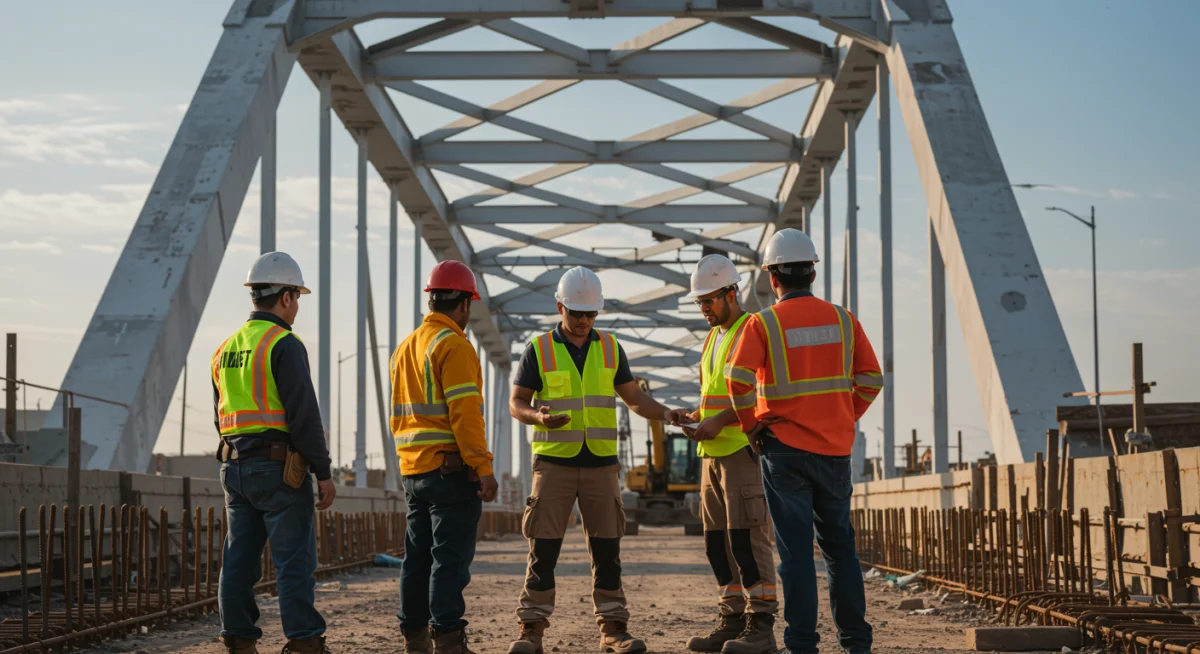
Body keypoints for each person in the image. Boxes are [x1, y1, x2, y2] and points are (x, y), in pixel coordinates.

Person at [506, 266, 691, 654]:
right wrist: (538, 417)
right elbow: (516, 402)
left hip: (601, 464)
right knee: (543, 550)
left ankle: (613, 630)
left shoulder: (610, 348)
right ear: (560, 307)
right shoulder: (538, 350)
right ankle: (531, 630)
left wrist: (666, 414)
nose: (583, 321)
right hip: (554, 462)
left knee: (607, 550)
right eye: (576, 314)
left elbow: (635, 398)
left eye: (591, 314)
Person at [725, 229, 883, 654]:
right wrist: (844, 415)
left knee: (795, 554)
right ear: (812, 270)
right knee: (840, 550)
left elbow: (736, 380)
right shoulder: (843, 319)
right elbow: (872, 378)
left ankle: (802, 645)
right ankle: (855, 643)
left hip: (784, 451)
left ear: (772, 278)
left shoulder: (763, 324)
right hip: (834, 451)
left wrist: (750, 426)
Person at [213, 252, 335, 654]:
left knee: (238, 562)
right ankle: (303, 642)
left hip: (234, 466)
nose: (297, 306)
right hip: (279, 468)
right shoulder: (283, 343)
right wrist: (323, 471)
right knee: (293, 562)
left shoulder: (225, 349)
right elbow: (304, 415)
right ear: (284, 297)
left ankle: (238, 639)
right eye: (297, 297)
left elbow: (222, 413)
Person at [392, 260, 498, 654]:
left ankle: (415, 640)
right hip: (450, 471)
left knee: (416, 559)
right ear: (465, 304)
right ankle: (449, 641)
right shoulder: (453, 345)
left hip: (413, 471)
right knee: (449, 560)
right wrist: (483, 468)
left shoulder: (407, 346)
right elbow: (465, 414)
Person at [681, 255, 778, 654]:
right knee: (716, 543)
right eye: (700, 302)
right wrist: (695, 415)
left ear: (732, 293)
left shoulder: (750, 330)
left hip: (741, 449)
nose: (704, 308)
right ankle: (732, 616)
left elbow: (762, 392)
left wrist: (721, 421)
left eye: (709, 300)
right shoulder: (713, 338)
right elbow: (716, 394)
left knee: (748, 539)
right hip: (711, 454)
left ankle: (761, 625)